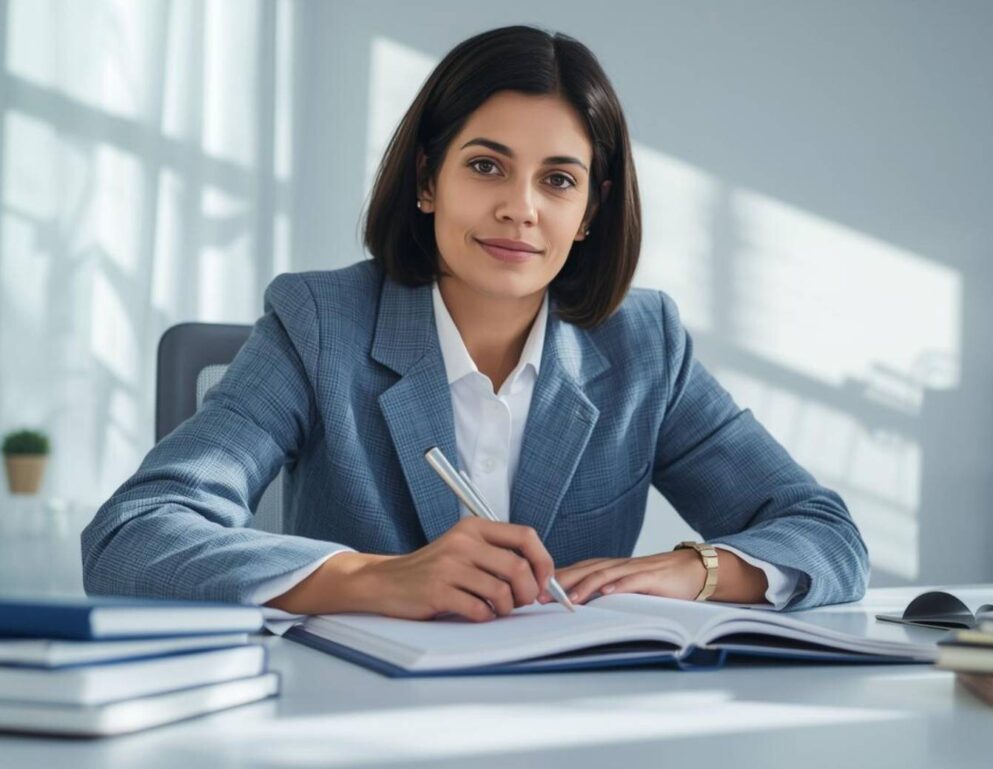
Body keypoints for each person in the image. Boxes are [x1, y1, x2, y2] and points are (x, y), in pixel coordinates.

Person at [81, 25, 868, 622]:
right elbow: (133, 536)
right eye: (486, 165)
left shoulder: (643, 343)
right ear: (428, 181)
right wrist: (370, 578)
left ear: (589, 213)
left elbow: (825, 532)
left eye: (557, 180)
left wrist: (697, 569)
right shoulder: (319, 324)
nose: (518, 209)